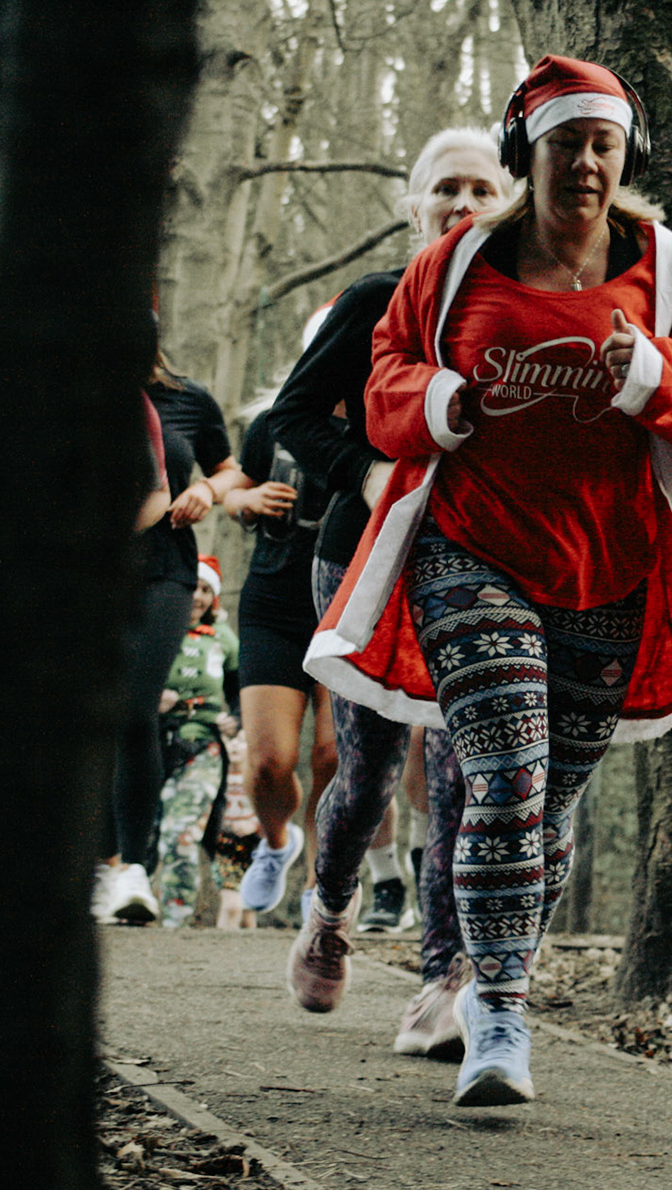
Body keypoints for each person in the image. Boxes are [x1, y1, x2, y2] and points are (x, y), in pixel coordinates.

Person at [305, 56, 672, 1107]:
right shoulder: (455, 269)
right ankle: (495, 1009)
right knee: (501, 774)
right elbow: (380, 388)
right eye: (564, 144)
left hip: (612, 568)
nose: (585, 165)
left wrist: (651, 375)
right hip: (473, 551)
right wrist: (440, 403)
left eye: (602, 145)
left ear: (624, 157)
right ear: (527, 156)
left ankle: (496, 977)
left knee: (547, 804)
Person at [256, 127, 513, 1051]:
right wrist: (368, 475)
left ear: (508, 201)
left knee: (455, 772)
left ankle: (446, 980)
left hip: (480, 567)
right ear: (416, 207)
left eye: (483, 188)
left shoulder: (526, 313)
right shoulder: (373, 302)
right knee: (363, 772)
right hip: (361, 556)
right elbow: (291, 416)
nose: (463, 204)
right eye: (446, 189)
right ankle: (329, 911)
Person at [95, 369, 244, 923]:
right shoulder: (75, 390)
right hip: (84, 577)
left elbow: (230, 472)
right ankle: (98, 864)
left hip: (165, 570)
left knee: (134, 711)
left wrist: (206, 488)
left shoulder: (189, 401)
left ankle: (132, 870)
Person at [222, 405, 331, 918]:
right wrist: (247, 499)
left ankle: (321, 881)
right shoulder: (276, 423)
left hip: (348, 605)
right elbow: (232, 491)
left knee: (332, 757)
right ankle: (274, 842)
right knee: (267, 762)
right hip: (274, 601)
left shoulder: (382, 418)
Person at [153, 555, 243, 927]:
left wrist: (235, 719)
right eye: (193, 587)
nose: (197, 597)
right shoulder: (156, 627)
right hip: (155, 743)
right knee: (151, 828)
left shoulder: (223, 637)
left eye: (206, 590)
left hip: (203, 747)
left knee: (181, 831)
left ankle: (175, 921)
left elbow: (241, 689)